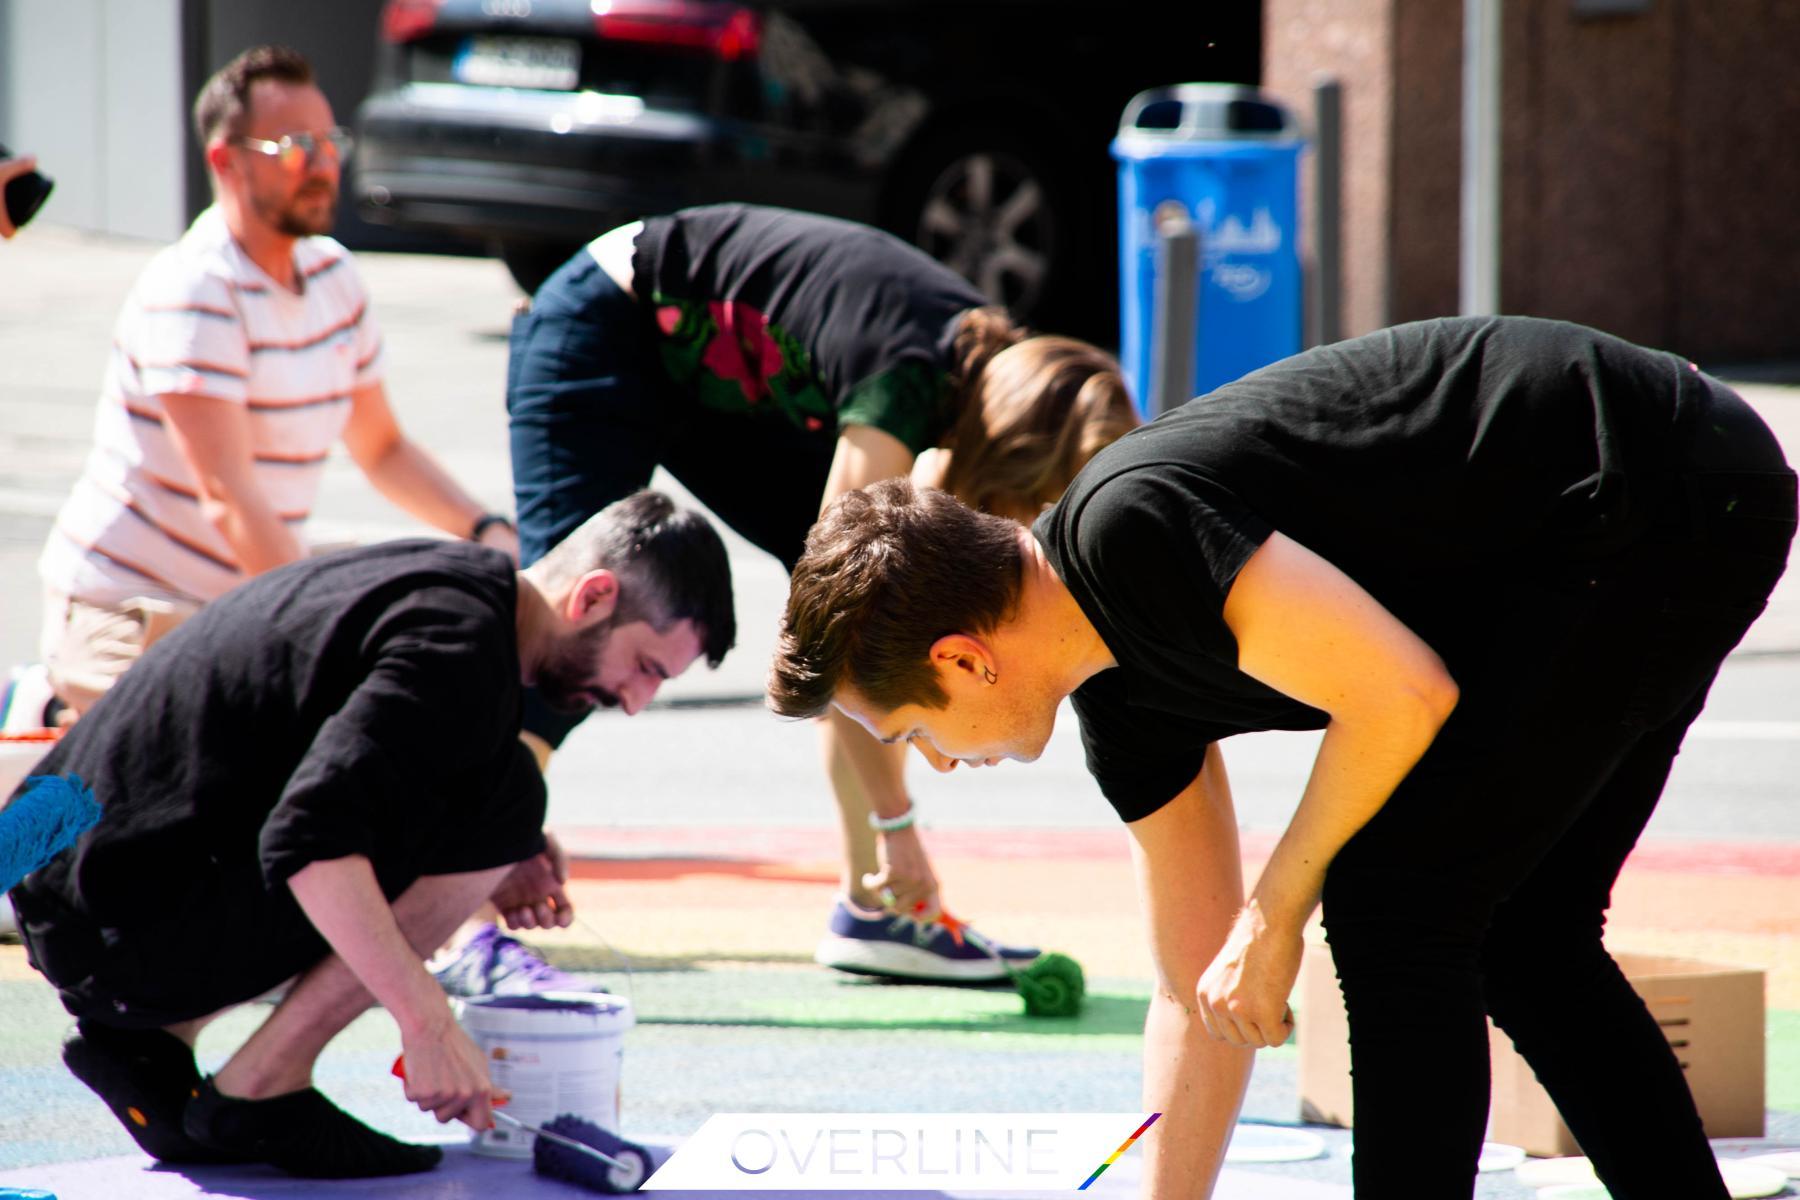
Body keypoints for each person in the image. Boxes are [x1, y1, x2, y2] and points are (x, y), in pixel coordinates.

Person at [768, 316, 1797, 1199]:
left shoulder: (1129, 527)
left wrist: (1273, 915)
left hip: (1658, 483)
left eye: (912, 733)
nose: (936, 766)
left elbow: (1400, 696)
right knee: (1523, 938)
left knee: (1396, 908)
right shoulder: (1122, 712)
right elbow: (1192, 988)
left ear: (963, 658)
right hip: (1627, 525)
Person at [8, 490, 734, 1178]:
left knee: (498, 802)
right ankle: (263, 1085)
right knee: (506, 800)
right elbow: (311, 840)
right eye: (643, 668)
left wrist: (497, 848)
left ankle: (150, 1048)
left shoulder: (451, 586)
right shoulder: (458, 650)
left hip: (73, 882)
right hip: (111, 917)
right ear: (595, 596)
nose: (637, 704)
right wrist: (428, 1024)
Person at [506, 202, 1138, 983]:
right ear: (1008, 460)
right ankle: (462, 891)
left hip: (713, 382)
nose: (1019, 525)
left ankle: (875, 907)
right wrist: (901, 821)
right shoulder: (905, 380)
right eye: (1033, 500)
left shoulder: (964, 380)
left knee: (880, 615)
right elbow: (838, 633)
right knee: (564, 636)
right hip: (603, 323)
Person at [33, 45, 518, 725]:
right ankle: (40, 716)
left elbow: (381, 448)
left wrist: (487, 531)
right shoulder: (196, 290)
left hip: (239, 607)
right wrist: (324, 627)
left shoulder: (335, 278)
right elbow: (227, 495)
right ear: (225, 161)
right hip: (132, 610)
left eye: (329, 142)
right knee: (148, 800)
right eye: (295, 146)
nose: (322, 163)